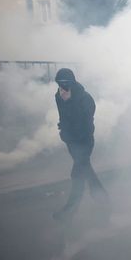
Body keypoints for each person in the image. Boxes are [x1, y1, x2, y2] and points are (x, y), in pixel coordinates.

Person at [53, 68, 109, 221]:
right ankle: (102, 197)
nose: (62, 86)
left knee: (77, 174)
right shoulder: (59, 96)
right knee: (86, 170)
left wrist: (70, 102)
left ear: (72, 81)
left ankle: (70, 210)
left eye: (65, 83)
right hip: (71, 142)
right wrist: (64, 133)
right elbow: (63, 117)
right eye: (59, 83)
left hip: (84, 141)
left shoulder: (85, 98)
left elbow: (87, 124)